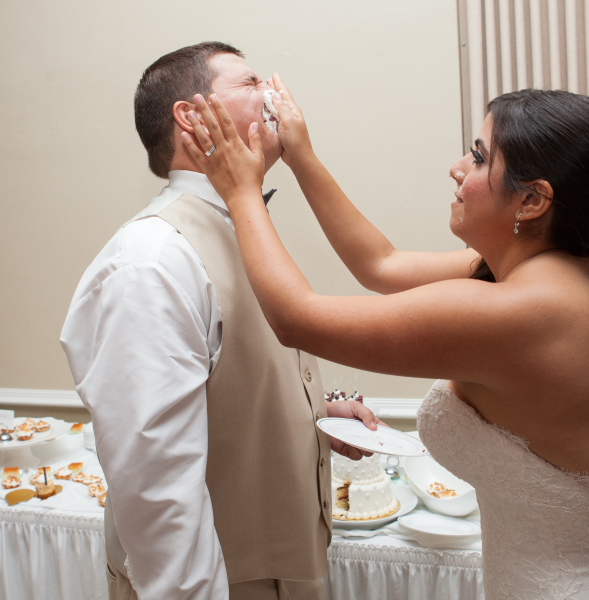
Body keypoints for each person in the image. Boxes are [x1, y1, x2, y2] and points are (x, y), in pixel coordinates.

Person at [180, 82, 589, 598]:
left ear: (533, 199)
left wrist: (242, 192)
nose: (457, 168)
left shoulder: (524, 311)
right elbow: (382, 265)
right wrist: (301, 156)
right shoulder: (547, 269)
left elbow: (297, 318)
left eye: (478, 156)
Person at [60, 43, 381, 600]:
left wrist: (311, 415)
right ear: (191, 116)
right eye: (251, 81)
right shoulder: (151, 259)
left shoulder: (241, 227)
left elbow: (220, 387)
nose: (275, 93)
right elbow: (158, 489)